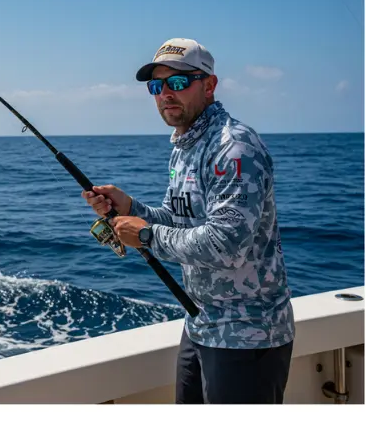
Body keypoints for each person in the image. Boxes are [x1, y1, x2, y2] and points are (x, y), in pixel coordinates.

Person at [82, 38, 295, 404]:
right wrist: (130, 207)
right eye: (157, 86)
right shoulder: (185, 146)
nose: (166, 93)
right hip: (200, 323)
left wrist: (146, 235)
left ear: (208, 86)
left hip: (247, 336)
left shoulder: (234, 147)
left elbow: (225, 245)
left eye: (178, 83)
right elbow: (179, 221)